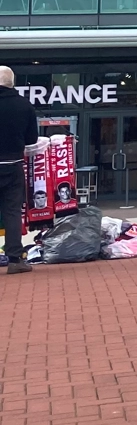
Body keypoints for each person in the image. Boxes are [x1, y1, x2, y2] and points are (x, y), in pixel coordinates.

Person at [0, 65, 41, 274]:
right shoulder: (24, 106)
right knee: (12, 212)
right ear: (12, 83)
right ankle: (15, 259)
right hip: (13, 164)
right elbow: (32, 140)